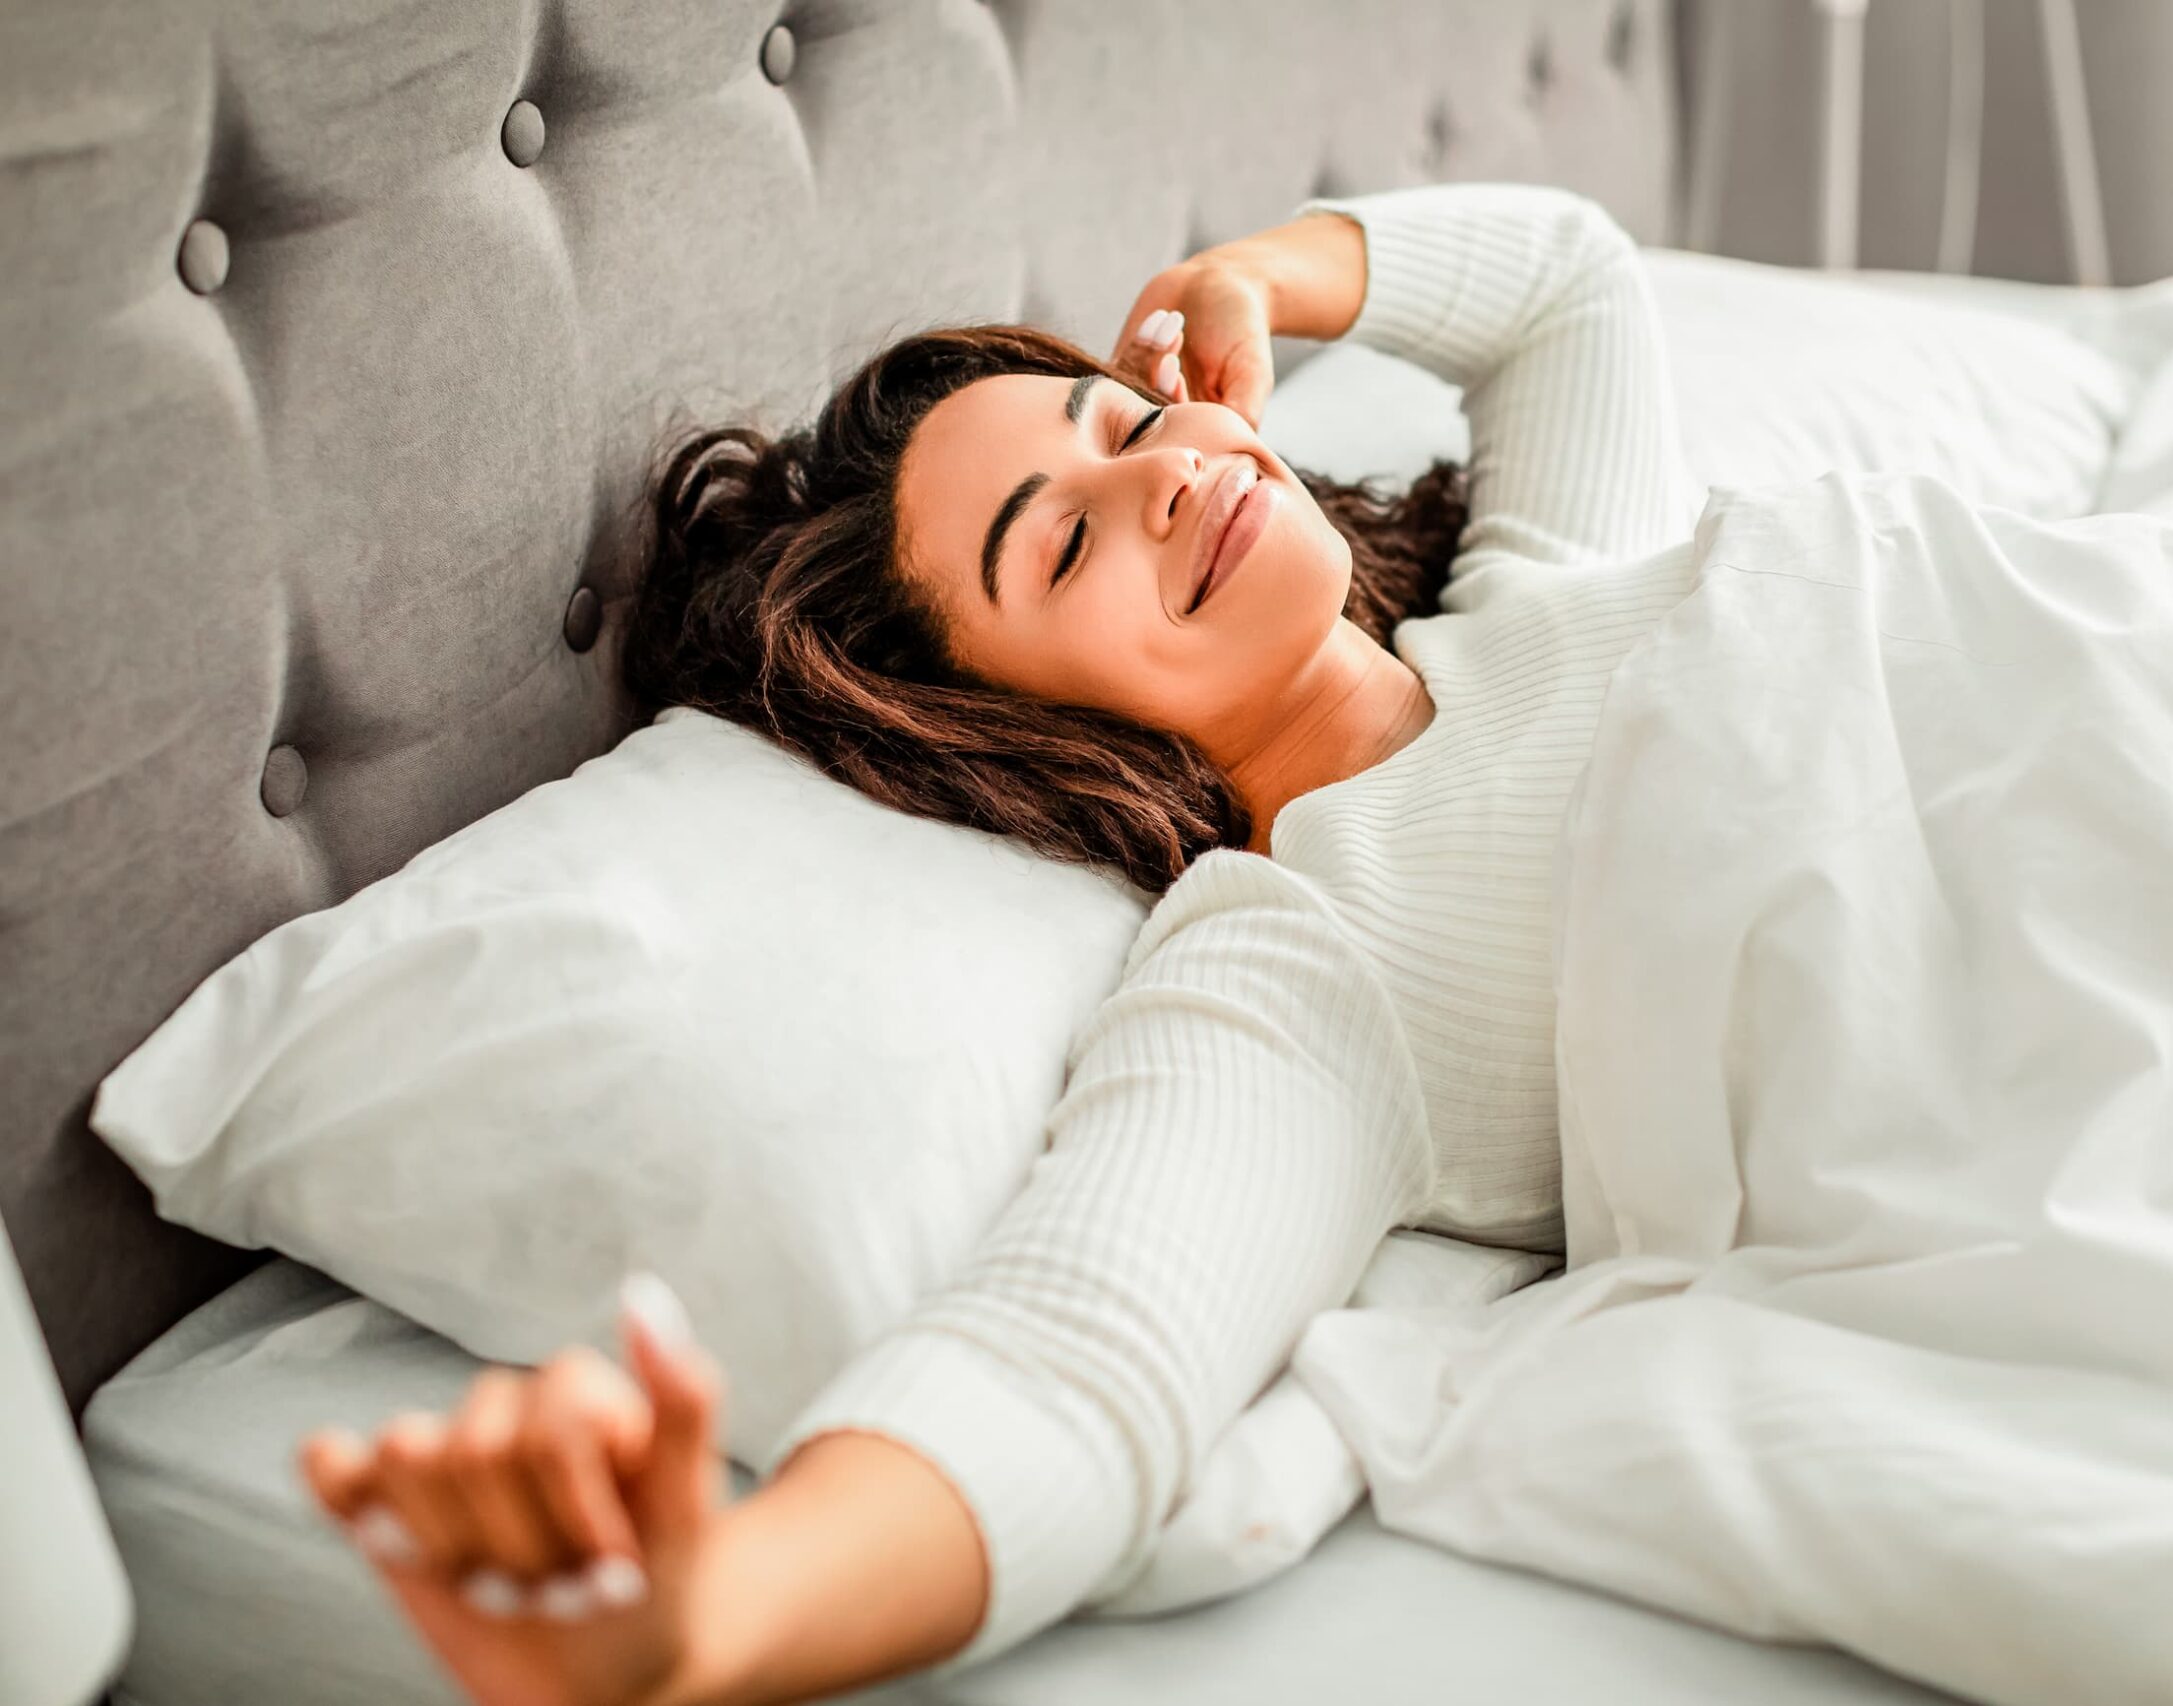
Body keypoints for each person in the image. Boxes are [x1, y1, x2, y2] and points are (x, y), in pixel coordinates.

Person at [296, 179, 1708, 1705]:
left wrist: (1238, 274)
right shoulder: (1313, 975)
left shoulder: (1550, 587)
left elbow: (1572, 286)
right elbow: (1060, 1380)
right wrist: (703, 1618)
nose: (1159, 480)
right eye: (1061, 551)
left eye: (1114, 424)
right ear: (1024, 724)